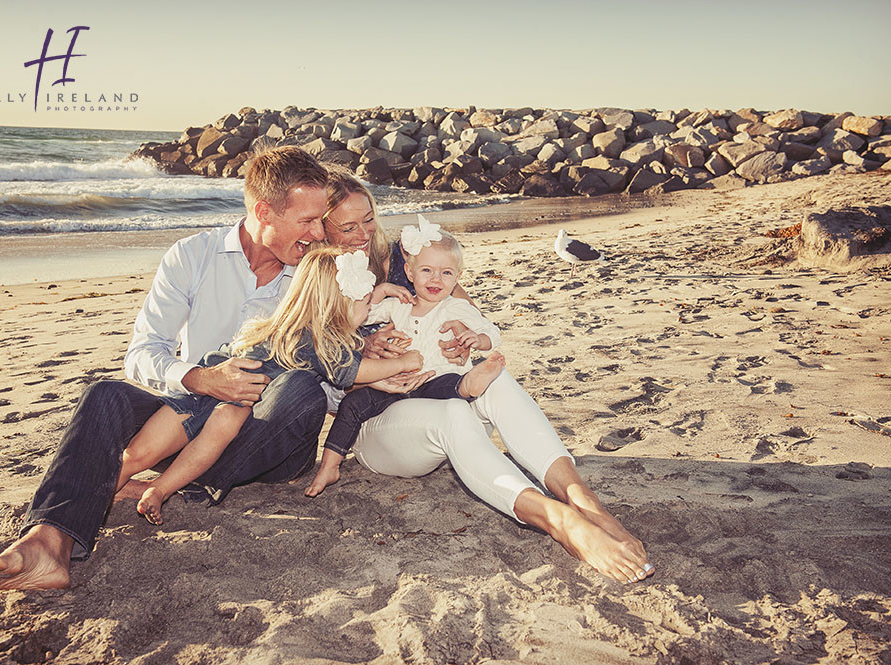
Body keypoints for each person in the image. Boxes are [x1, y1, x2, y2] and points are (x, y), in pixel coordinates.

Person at [0, 146, 333, 591]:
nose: (318, 232)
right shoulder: (192, 256)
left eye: (321, 220)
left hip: (264, 442)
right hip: (183, 422)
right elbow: (142, 353)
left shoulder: (316, 274)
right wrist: (201, 378)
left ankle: (171, 487)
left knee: (300, 390)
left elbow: (330, 378)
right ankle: (49, 544)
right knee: (104, 395)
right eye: (308, 221)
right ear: (264, 212)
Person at [319, 170, 655, 584]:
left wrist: (462, 340)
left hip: (435, 388)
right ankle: (557, 520)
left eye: (368, 219)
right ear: (321, 226)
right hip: (378, 425)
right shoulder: (316, 277)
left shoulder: (403, 261)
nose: (363, 233)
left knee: (494, 379)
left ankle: (583, 501)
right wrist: (366, 360)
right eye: (347, 226)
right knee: (455, 416)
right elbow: (320, 375)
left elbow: (470, 316)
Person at [117, 247, 425, 525]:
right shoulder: (319, 341)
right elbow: (357, 370)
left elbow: (352, 352)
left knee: (140, 454)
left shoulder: (294, 329)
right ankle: (150, 489)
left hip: (208, 396)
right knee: (156, 449)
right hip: (230, 399)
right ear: (337, 306)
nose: (370, 308)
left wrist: (383, 288)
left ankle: (150, 489)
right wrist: (403, 362)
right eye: (366, 301)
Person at [305, 222, 507, 496]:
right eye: (427, 271)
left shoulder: (457, 307)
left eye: (446, 273)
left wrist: (478, 339)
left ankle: (468, 386)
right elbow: (364, 311)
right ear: (409, 273)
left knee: (448, 381)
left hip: (433, 381)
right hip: (395, 384)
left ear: (457, 277)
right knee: (352, 404)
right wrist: (384, 289)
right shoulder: (399, 305)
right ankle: (330, 465)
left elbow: (490, 330)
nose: (436, 280)